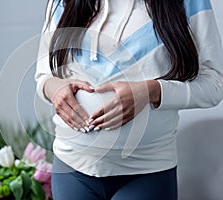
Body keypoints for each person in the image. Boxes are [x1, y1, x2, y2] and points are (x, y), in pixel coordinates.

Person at [35, 0, 223, 199]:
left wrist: (152, 91)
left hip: (147, 172)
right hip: (70, 170)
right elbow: (43, 76)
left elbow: (214, 84)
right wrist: (54, 89)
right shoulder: (62, 2)